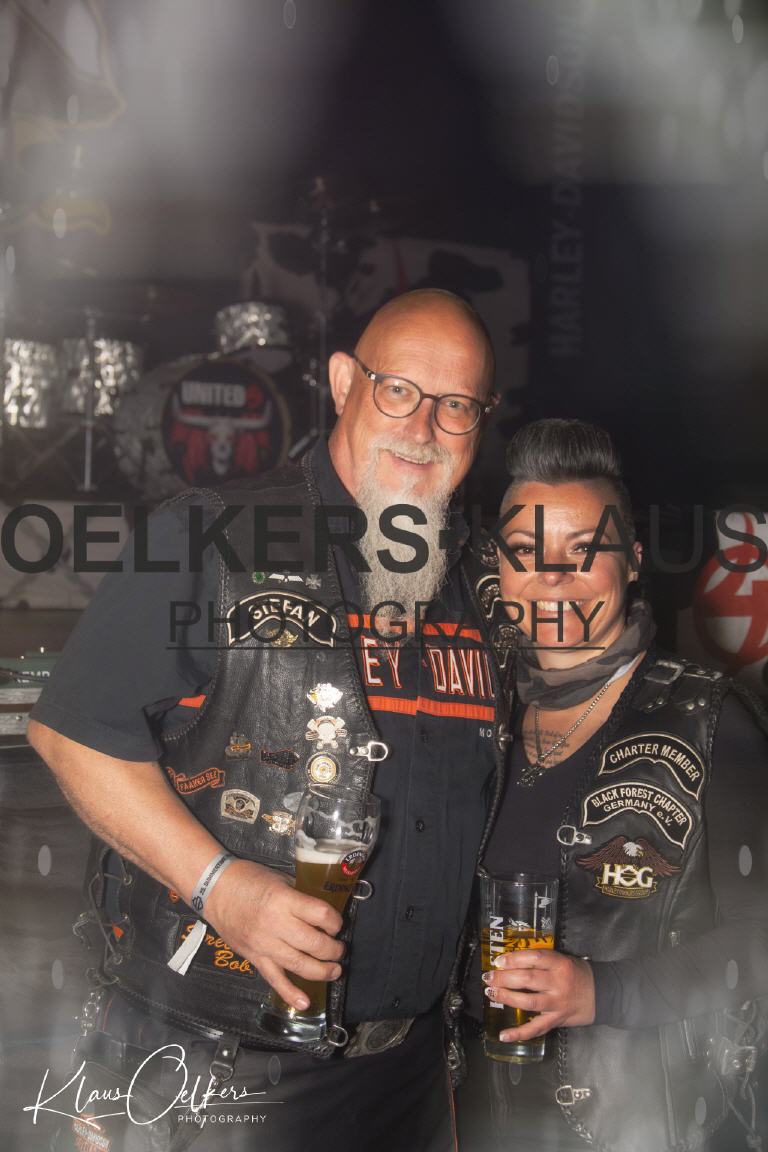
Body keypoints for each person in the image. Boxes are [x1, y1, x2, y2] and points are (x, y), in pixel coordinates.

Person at [27, 289, 507, 1152]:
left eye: (457, 406)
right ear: (343, 382)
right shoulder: (209, 536)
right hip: (217, 1067)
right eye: (399, 391)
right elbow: (71, 734)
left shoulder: (483, 582)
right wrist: (222, 886)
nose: (424, 427)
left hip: (414, 1079)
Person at [455, 418, 768, 1152]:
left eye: (584, 551)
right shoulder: (471, 714)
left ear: (631, 561)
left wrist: (604, 992)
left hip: (641, 1124)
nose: (552, 578)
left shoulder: (709, 720)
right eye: (525, 552)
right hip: (472, 1116)